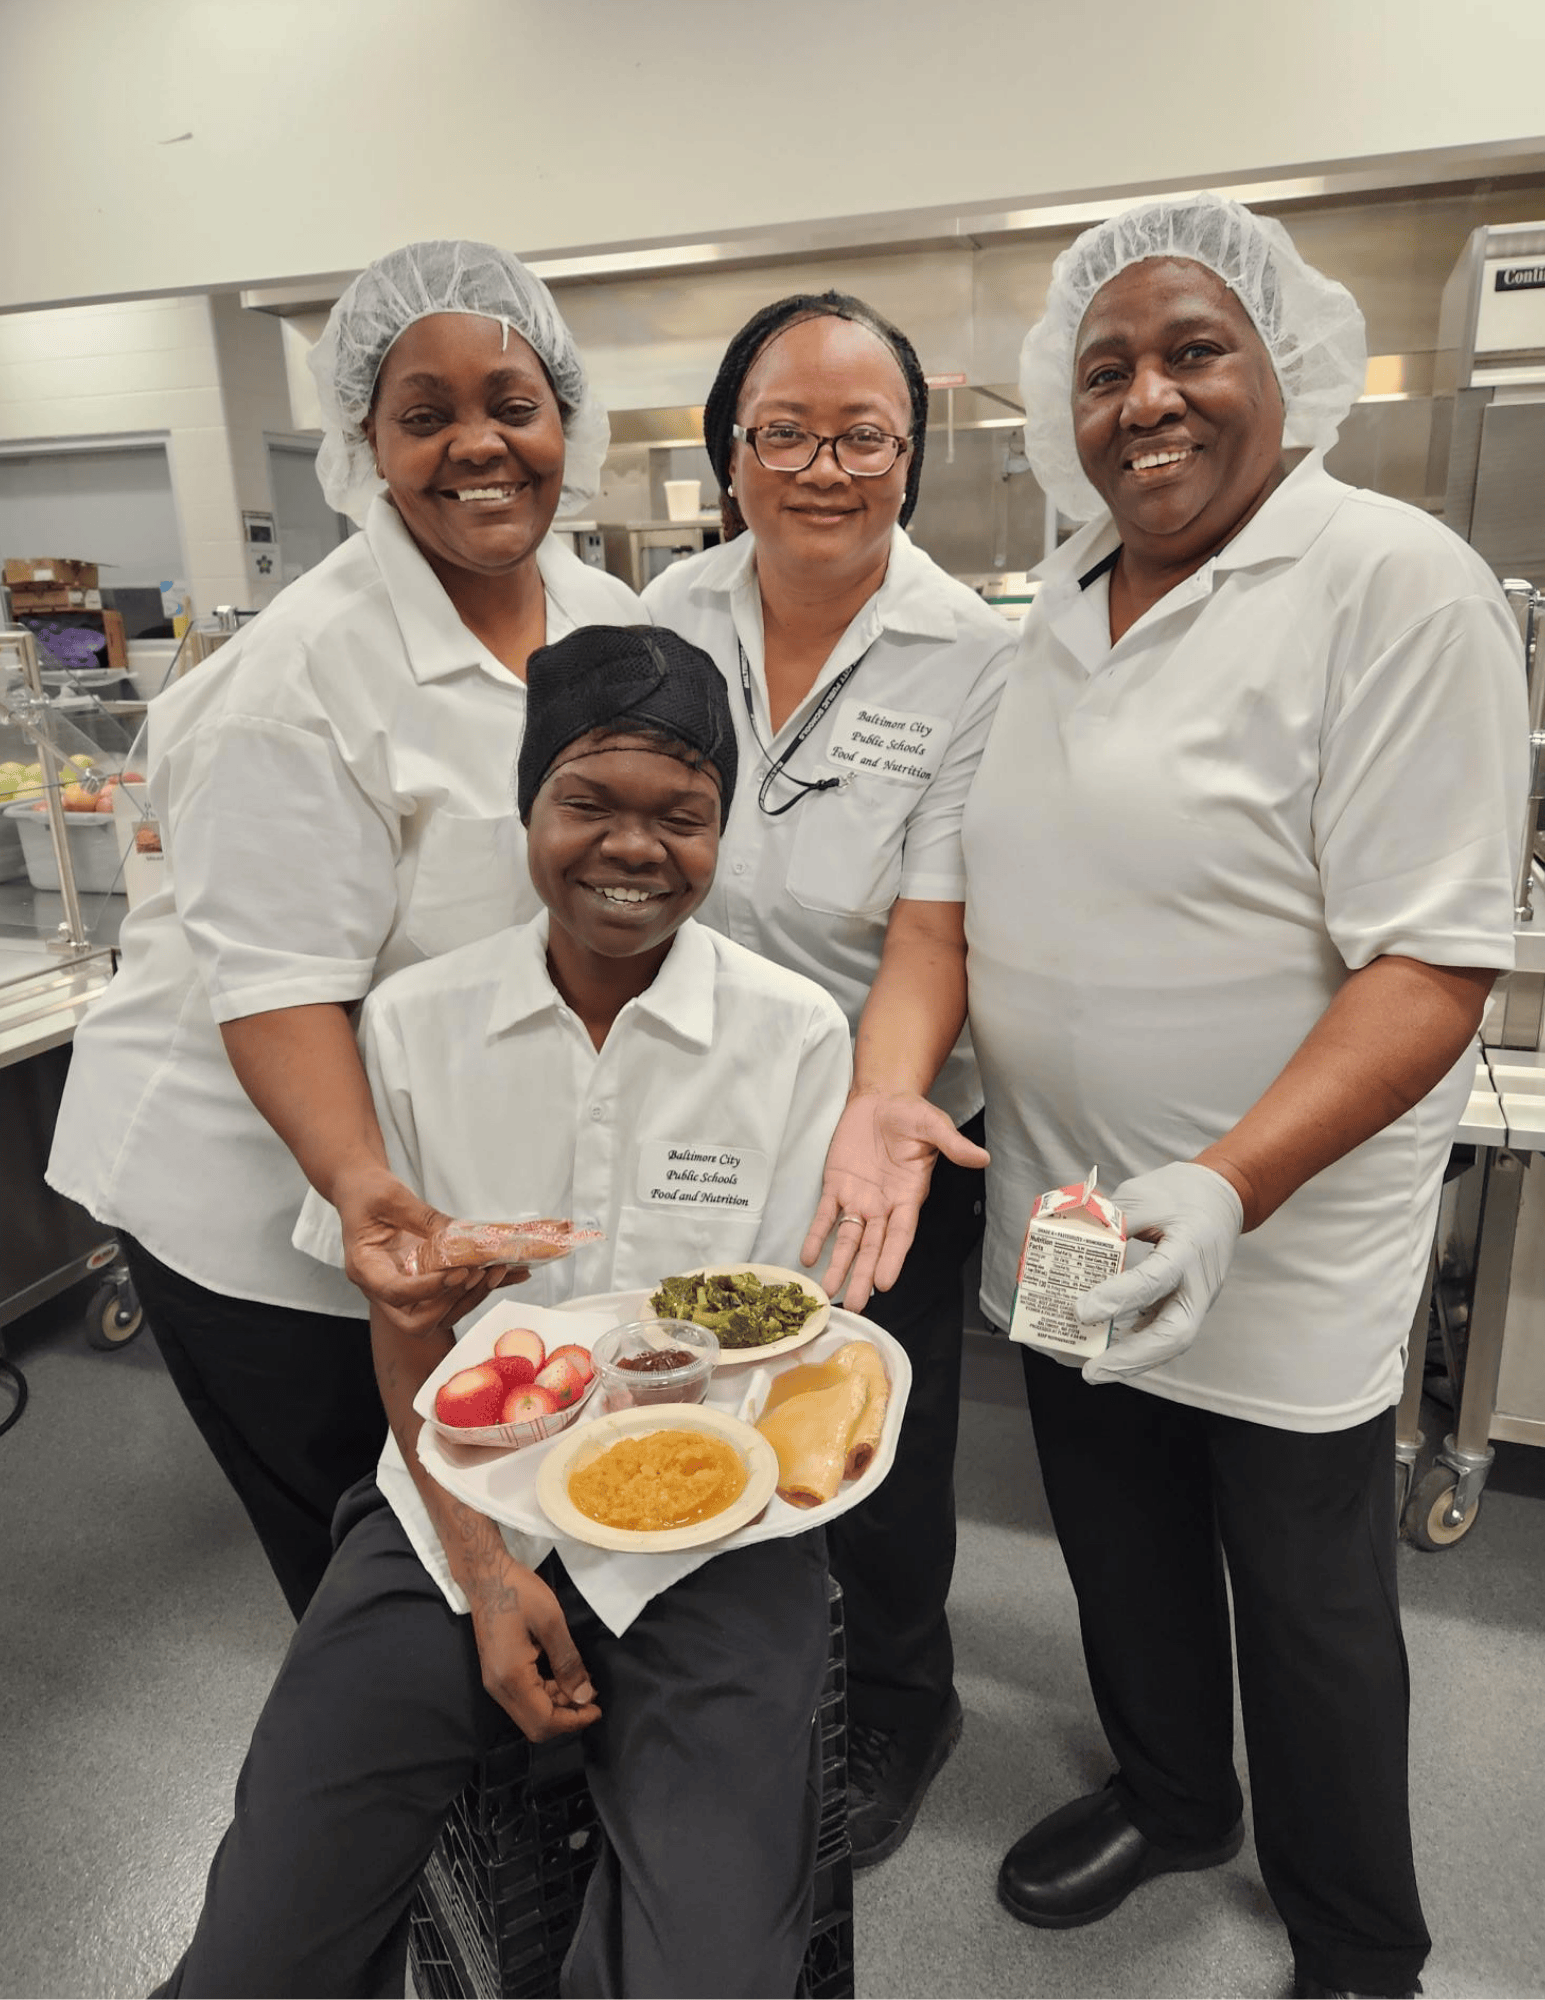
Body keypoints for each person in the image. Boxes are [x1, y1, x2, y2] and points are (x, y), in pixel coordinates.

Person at [943, 194, 1526, 1999]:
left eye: (1196, 351)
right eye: (1106, 368)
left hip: (1282, 1226)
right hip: (1064, 1200)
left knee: (1311, 1600)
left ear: (1290, 370)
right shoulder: (1059, 600)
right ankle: (1179, 1800)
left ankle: (1360, 1935)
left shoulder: (1389, 580)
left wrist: (1229, 1181)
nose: (1149, 401)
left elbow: (1433, 964)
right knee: (1116, 1541)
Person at [155, 626, 853, 1999]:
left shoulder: (794, 1036)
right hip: (451, 1501)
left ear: (722, 833)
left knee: (710, 1966)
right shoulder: (417, 1026)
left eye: (682, 815)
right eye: (588, 800)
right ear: (527, 809)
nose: (633, 847)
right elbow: (407, 1328)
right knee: (261, 1942)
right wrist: (483, 1571)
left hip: (713, 1530)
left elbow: (779, 1346)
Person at [47, 241, 642, 1620]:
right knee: (379, 1555)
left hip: (420, 1174)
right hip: (260, 1194)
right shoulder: (298, 678)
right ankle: (419, 1805)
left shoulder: (606, 618)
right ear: (367, 449)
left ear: (567, 418)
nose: (477, 445)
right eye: (424, 415)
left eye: (512, 403)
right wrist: (364, 1188)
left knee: (486, 1525)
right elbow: (278, 993)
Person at [640, 290, 1015, 1866]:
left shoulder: (975, 654)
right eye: (783, 431)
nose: (823, 465)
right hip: (704, 1109)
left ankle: (898, 1705)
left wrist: (873, 1113)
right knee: (707, 1394)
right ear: (733, 453)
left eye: (865, 435)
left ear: (912, 459)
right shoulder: (668, 606)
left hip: (891, 1124)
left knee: (870, 1436)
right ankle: (728, 1674)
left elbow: (933, 923)